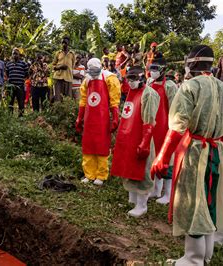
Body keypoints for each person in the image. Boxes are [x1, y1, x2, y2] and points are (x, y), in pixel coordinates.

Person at [151, 45, 223, 265]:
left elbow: (177, 127)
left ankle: (193, 258)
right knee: (208, 204)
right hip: (217, 153)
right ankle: (205, 256)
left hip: (196, 151)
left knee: (193, 204)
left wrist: (162, 157)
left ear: (192, 63)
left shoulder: (190, 87)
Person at [111, 66, 160, 217]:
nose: (131, 83)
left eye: (134, 79)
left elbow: (149, 120)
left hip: (141, 137)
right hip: (130, 136)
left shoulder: (148, 94)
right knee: (130, 166)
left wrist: (145, 142)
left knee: (143, 170)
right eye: (129, 79)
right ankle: (132, 200)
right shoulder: (132, 92)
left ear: (142, 79)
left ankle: (142, 205)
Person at [75, 58, 121, 185]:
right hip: (89, 119)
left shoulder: (109, 78)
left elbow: (114, 100)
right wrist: (79, 117)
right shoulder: (87, 80)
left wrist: (115, 118)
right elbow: (83, 100)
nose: (93, 73)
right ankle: (89, 174)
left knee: (101, 146)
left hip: (103, 118)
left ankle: (101, 175)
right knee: (88, 145)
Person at [146, 58, 178, 204]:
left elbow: (174, 108)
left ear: (163, 70)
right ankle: (156, 190)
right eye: (151, 69)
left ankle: (168, 193)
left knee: (167, 159)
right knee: (155, 157)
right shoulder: (149, 84)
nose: (152, 72)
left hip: (165, 126)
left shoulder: (170, 86)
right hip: (153, 126)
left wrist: (173, 127)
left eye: (155, 69)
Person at [6, 48, 29, 117]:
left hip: (20, 86)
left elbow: (27, 74)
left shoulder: (23, 63)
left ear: (19, 55)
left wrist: (21, 80)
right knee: (10, 102)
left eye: (16, 53)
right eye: (13, 53)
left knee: (21, 102)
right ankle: (10, 116)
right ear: (12, 55)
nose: (15, 55)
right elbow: (7, 74)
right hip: (11, 86)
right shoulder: (8, 64)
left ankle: (21, 117)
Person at [52, 36, 75, 102]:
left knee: (67, 98)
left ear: (68, 43)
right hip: (58, 78)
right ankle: (58, 112)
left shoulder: (72, 54)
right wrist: (59, 67)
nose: (63, 44)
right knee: (58, 98)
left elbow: (72, 66)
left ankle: (66, 112)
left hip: (68, 78)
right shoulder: (58, 53)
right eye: (62, 42)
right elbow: (53, 65)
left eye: (65, 42)